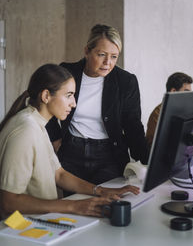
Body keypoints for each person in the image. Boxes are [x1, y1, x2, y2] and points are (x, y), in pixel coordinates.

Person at [0, 63, 140, 219]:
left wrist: (101, 191)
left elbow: (58, 174)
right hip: (21, 229)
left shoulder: (37, 123)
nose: (74, 103)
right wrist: (73, 206)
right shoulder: (26, 131)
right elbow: (9, 202)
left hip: (42, 220)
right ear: (46, 96)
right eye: (68, 95)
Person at [46, 24, 149, 194]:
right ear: (87, 51)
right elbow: (47, 103)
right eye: (101, 54)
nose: (108, 63)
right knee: (75, 205)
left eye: (114, 57)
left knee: (106, 204)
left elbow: (133, 126)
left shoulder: (126, 81)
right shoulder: (66, 72)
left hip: (109, 155)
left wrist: (148, 162)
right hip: (71, 152)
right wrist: (55, 138)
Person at [146, 72, 193, 148]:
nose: (189, 97)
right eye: (186, 92)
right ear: (174, 92)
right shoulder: (158, 114)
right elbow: (159, 148)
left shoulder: (183, 112)